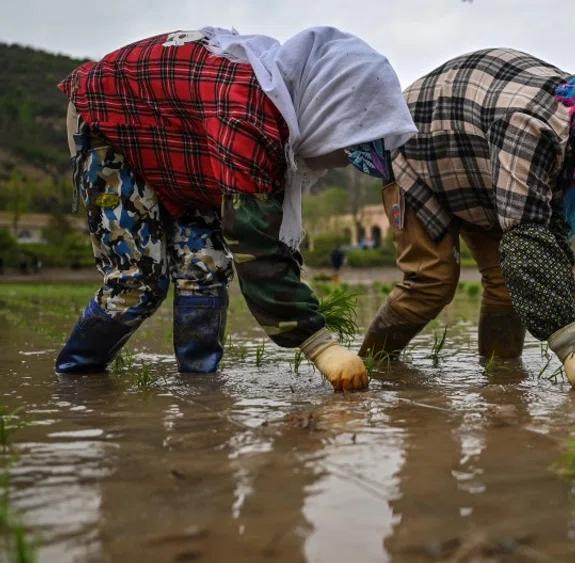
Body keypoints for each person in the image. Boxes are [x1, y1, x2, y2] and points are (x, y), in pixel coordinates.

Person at [54, 26, 417, 391]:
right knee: (137, 280)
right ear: (326, 111)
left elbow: (266, 233)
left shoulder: (281, 116)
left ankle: (199, 389)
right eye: (346, 150)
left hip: (184, 148)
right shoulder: (247, 115)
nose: (341, 164)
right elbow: (256, 245)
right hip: (110, 119)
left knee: (205, 269)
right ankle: (75, 382)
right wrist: (321, 345)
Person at [355, 48, 575, 390]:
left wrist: (564, 278)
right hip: (419, 157)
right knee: (431, 282)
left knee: (507, 285)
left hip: (479, 172)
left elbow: (543, 225)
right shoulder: (531, 124)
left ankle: (500, 384)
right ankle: (370, 367)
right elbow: (526, 236)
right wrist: (574, 346)